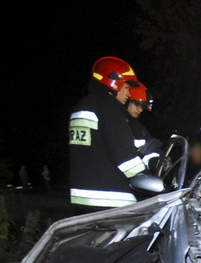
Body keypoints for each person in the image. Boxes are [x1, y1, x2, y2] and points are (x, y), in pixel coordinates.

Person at [68, 56, 159, 213]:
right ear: (113, 83)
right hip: (112, 201)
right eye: (126, 88)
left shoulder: (80, 107)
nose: (128, 94)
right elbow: (125, 158)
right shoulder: (110, 108)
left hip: (81, 201)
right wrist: (150, 182)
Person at [125, 83, 161, 172]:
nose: (140, 109)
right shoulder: (113, 121)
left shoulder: (139, 129)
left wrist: (156, 162)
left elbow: (149, 149)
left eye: (142, 107)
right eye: (137, 104)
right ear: (127, 100)